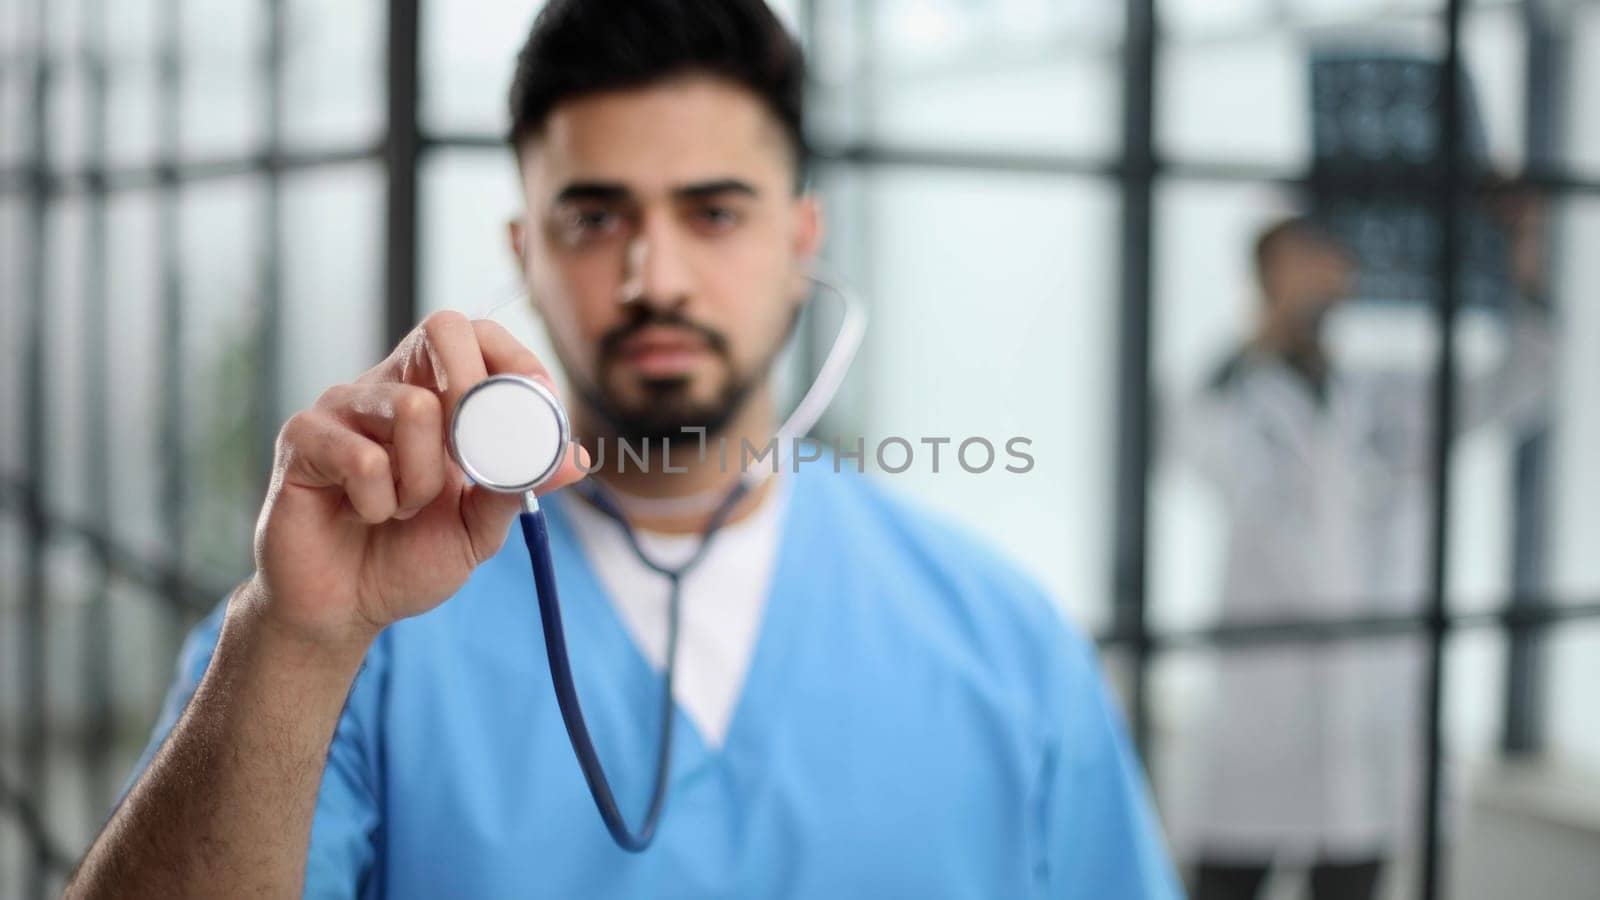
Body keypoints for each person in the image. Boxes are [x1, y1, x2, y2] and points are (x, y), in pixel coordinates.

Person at [66, 2, 1179, 897]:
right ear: (525, 253)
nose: (654, 276)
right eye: (595, 218)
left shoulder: (1005, 643)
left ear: (802, 242)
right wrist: (296, 638)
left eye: (714, 213)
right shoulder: (338, 639)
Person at [1166, 215, 1549, 900]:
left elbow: (1521, 384)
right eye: (1298, 261)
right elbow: (1189, 435)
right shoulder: (1228, 396)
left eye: (1329, 258)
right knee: (1221, 882)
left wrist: (1521, 265)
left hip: (1370, 713)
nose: (1321, 274)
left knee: (1352, 876)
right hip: (1263, 716)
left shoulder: (1384, 396)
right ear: (1264, 280)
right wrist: (1259, 338)